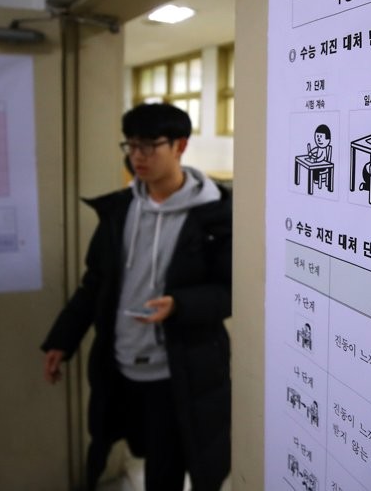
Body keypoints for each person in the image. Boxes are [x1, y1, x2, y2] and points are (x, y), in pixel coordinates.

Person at [41, 103, 232, 491]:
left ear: (180, 146)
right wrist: (62, 340)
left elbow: (229, 293)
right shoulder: (120, 210)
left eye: (149, 146)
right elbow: (95, 284)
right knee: (119, 446)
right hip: (121, 365)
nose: (137, 156)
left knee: (167, 468)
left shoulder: (214, 216)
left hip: (178, 370)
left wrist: (179, 305)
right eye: (130, 145)